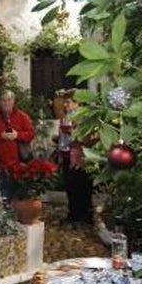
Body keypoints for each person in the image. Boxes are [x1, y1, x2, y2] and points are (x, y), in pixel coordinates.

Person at [0, 89, 36, 202]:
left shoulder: (22, 116)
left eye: (9, 100)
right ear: (0, 102)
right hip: (2, 163)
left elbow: (31, 133)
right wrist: (0, 136)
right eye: (3, 100)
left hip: (20, 163)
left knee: (21, 193)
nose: (6, 103)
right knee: (4, 194)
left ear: (13, 101)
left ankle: (19, 216)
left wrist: (17, 135)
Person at [53, 90, 94, 226]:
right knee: (70, 186)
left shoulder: (84, 116)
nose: (65, 105)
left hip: (79, 156)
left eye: (68, 102)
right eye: (65, 102)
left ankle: (85, 216)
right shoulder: (66, 116)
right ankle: (73, 214)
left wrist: (75, 134)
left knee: (82, 185)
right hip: (66, 154)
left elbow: (89, 136)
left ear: (77, 103)